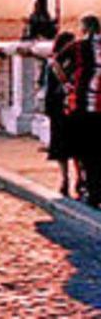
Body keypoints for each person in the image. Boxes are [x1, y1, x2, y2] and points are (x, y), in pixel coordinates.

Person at [59, 15, 101, 206]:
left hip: (82, 105)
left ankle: (92, 190)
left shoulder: (77, 46)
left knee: (86, 150)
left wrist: (67, 83)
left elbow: (55, 62)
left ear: (83, 29)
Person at [42, 31, 79, 197]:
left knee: (67, 146)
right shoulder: (61, 63)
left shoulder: (54, 62)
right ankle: (68, 179)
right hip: (65, 106)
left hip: (63, 107)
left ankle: (71, 179)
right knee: (67, 146)